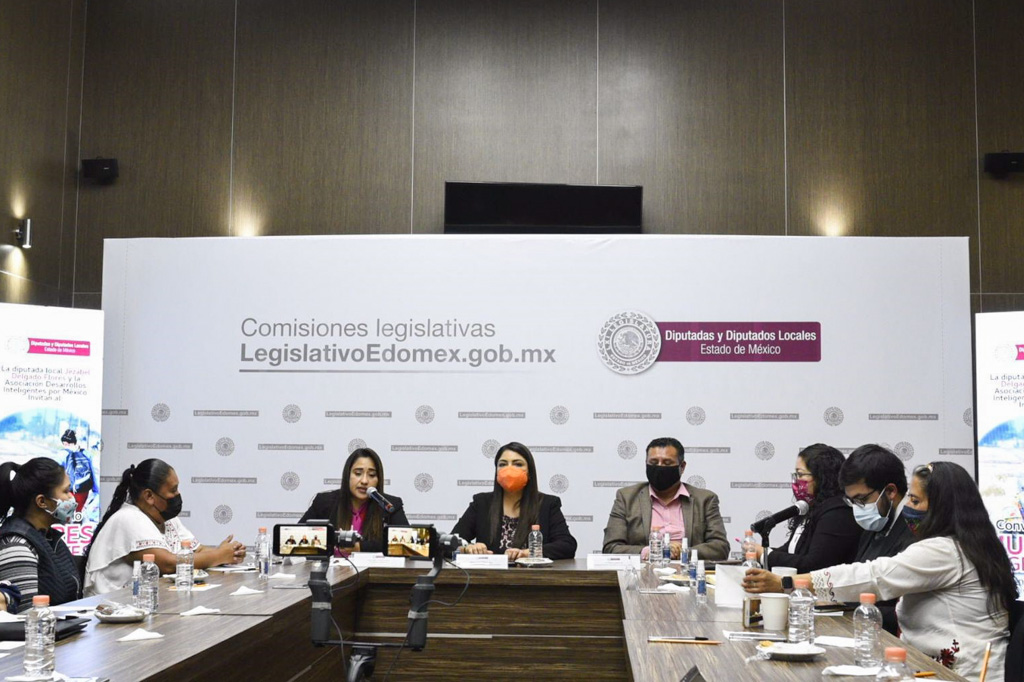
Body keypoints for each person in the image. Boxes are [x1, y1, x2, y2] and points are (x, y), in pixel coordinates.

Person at [748, 461, 1016, 682]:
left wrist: (787, 582)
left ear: (942, 507)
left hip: (959, 675)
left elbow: (873, 576)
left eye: (915, 500)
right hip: (932, 668)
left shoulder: (945, 551)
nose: (907, 507)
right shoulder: (973, 544)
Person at [744, 444, 916, 632]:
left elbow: (883, 589)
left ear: (890, 491)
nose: (857, 509)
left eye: (861, 500)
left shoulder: (916, 531)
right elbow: (854, 574)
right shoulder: (875, 522)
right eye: (852, 501)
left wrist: (847, 609)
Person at [83, 459, 246, 595]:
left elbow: (197, 551)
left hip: (146, 603)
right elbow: (168, 564)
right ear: (149, 496)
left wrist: (230, 552)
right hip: (111, 610)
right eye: (173, 490)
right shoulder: (128, 518)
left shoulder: (166, 518)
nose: (177, 495)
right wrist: (219, 555)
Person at [602, 437, 728, 560]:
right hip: (644, 571)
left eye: (667, 463)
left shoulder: (705, 500)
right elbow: (611, 547)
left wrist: (683, 552)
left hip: (688, 571)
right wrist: (650, 551)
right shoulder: (627, 497)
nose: (659, 467)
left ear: (682, 467)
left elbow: (720, 547)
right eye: (653, 463)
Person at [453, 442, 577, 560]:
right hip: (490, 574)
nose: (509, 470)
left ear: (529, 472)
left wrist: (529, 552)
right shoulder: (481, 503)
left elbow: (567, 545)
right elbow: (450, 543)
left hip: (532, 574)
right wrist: (467, 548)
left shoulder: (547, 504)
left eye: (518, 464)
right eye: (503, 464)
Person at [753, 443, 862, 572]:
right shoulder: (811, 508)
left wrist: (765, 555)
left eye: (800, 474)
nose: (796, 481)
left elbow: (814, 565)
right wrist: (758, 552)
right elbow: (790, 551)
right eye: (795, 475)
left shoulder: (837, 513)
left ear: (822, 477)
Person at [0, 458, 80, 612]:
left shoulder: (49, 537)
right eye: (66, 491)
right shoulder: (16, 545)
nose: (71, 497)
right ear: (42, 501)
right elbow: (26, 616)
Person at [299, 448, 408, 553]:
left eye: (371, 475)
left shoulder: (389, 505)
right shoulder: (324, 502)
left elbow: (405, 543)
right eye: (358, 473)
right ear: (348, 475)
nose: (364, 481)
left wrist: (361, 547)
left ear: (378, 479)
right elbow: (297, 535)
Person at [61, 429, 98, 515]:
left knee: (64, 515)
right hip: (83, 489)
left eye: (65, 444)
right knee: (78, 513)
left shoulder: (63, 454)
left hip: (69, 490)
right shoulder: (86, 454)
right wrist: (95, 491)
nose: (65, 446)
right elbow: (92, 474)